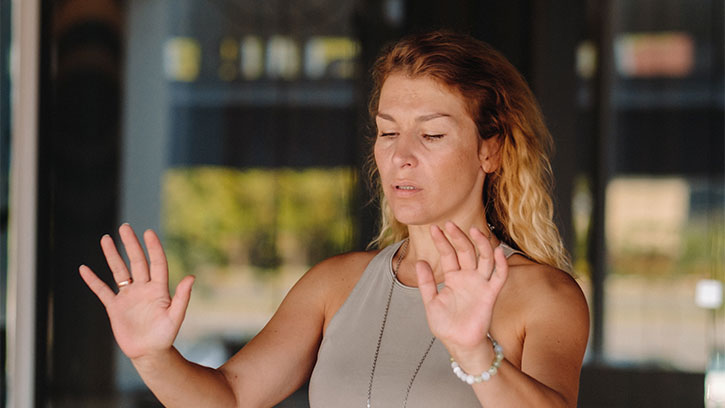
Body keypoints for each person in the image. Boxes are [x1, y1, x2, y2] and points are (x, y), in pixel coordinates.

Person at [80, 30, 589, 407]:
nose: (401, 156)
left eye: (431, 135)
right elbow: (229, 398)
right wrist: (151, 356)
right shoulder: (336, 284)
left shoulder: (543, 296)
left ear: (490, 151)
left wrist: (474, 352)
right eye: (388, 132)